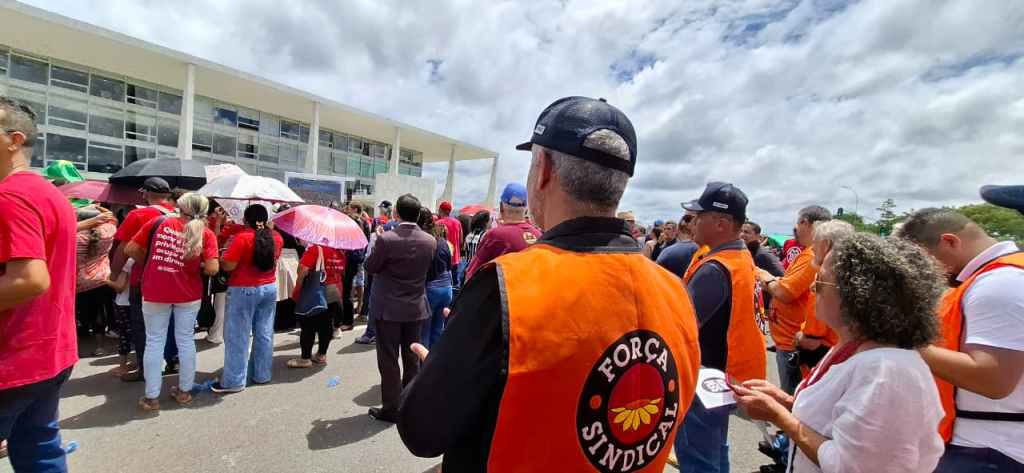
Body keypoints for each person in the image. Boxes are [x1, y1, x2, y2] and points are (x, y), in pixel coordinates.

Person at [399, 96, 700, 471]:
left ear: (542, 170)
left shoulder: (508, 284)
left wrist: (439, 367)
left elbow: (422, 431)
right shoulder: (677, 292)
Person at [734, 233, 946, 473]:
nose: (813, 288)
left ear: (857, 296)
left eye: (821, 281)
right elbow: (838, 422)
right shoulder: (857, 349)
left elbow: (852, 466)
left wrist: (780, 417)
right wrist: (786, 403)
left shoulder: (886, 372)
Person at [898, 208, 1024, 471]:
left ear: (950, 241)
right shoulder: (995, 277)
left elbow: (993, 379)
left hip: (991, 450)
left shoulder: (998, 284)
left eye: (925, 260)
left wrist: (904, 341)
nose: (923, 272)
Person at [0, 97, 77, 472]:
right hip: (51, 351)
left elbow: (30, 279)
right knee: (40, 449)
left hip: (14, 356)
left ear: (14, 140)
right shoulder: (52, 195)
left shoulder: (10, 195)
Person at [676, 182, 766, 473]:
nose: (692, 222)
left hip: (704, 381)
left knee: (698, 458)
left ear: (721, 223)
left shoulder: (716, 268)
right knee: (715, 451)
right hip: (724, 378)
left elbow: (682, 324)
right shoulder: (739, 259)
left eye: (698, 216)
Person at [125, 193, 219, 410]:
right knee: (186, 340)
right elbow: (213, 268)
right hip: (188, 294)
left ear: (180, 206)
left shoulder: (159, 223)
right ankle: (184, 391)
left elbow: (131, 249)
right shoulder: (206, 233)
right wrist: (193, 266)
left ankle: (151, 397)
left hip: (156, 289)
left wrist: (152, 263)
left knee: (154, 341)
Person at [363, 193, 436, 422]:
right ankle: (409, 403)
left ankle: (391, 408)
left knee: (388, 358)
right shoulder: (429, 241)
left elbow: (371, 266)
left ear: (396, 213)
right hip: (415, 307)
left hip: (388, 307)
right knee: (411, 356)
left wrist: (377, 242)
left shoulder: (387, 239)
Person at [756, 206, 831, 394]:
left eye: (797, 223)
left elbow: (785, 293)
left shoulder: (813, 256)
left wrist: (766, 278)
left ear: (805, 222)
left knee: (793, 402)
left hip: (794, 343)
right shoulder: (808, 253)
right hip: (792, 340)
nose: (795, 228)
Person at [110, 176, 177, 382]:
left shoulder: (138, 215)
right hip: (174, 279)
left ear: (145, 193)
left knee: (143, 326)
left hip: (143, 279)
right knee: (169, 323)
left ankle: (145, 369)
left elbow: (123, 248)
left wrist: (113, 274)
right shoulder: (179, 215)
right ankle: (169, 361)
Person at [211, 204, 284, 393]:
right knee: (265, 332)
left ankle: (234, 380)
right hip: (269, 287)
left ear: (245, 219)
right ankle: (262, 374)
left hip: (243, 288)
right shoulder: (277, 237)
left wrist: (221, 257)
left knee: (238, 335)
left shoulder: (242, 238)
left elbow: (228, 266)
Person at [464, 183, 542, 280]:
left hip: (505, 294)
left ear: (501, 207)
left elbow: (471, 274)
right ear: (526, 209)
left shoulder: (495, 236)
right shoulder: (539, 236)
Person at [288, 242, 346, 368]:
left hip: (317, 292)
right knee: (326, 325)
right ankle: (321, 355)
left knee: (308, 325)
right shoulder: (340, 251)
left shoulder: (316, 249)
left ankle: (305, 359)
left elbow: (303, 270)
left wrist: (299, 285)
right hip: (335, 290)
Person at [74, 206, 118, 357]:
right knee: (99, 313)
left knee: (78, 315)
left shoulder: (75, 237)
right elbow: (113, 219)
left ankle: (74, 346)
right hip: (103, 279)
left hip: (78, 283)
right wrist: (100, 208)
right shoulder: (107, 233)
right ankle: (100, 347)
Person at [418, 208, 454, 350]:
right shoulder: (443, 242)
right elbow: (449, 267)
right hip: (446, 289)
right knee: (438, 330)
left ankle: (424, 368)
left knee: (424, 332)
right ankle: (434, 367)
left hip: (430, 289)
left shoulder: (423, 242)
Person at [106, 258, 135, 377]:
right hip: (138, 301)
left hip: (124, 303)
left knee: (124, 335)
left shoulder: (128, 262)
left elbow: (120, 286)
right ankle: (138, 363)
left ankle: (123, 367)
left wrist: (105, 279)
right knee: (138, 334)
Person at [657, 212, 700, 278]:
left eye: (668, 229)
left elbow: (656, 274)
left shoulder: (668, 252)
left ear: (677, 230)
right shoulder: (706, 249)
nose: (666, 231)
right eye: (665, 229)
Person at [462, 211, 491, 277]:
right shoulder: (485, 235)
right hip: (479, 271)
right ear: (485, 222)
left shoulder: (469, 235)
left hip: (468, 268)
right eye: (490, 220)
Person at [436, 201, 463, 270]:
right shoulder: (457, 222)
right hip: (455, 258)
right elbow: (461, 240)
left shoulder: (438, 223)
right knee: (455, 280)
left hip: (442, 258)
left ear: (440, 210)